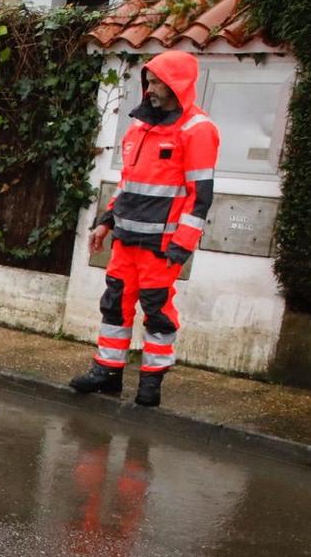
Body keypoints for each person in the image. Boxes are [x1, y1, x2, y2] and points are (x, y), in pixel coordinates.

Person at [69, 50, 219, 408]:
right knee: (115, 306)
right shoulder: (140, 129)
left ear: (176, 85)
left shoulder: (198, 130)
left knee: (158, 312)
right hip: (126, 241)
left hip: (161, 246)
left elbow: (200, 197)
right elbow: (128, 184)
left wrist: (182, 245)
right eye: (147, 82)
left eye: (156, 83)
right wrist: (105, 223)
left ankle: (151, 382)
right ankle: (107, 371)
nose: (149, 89)